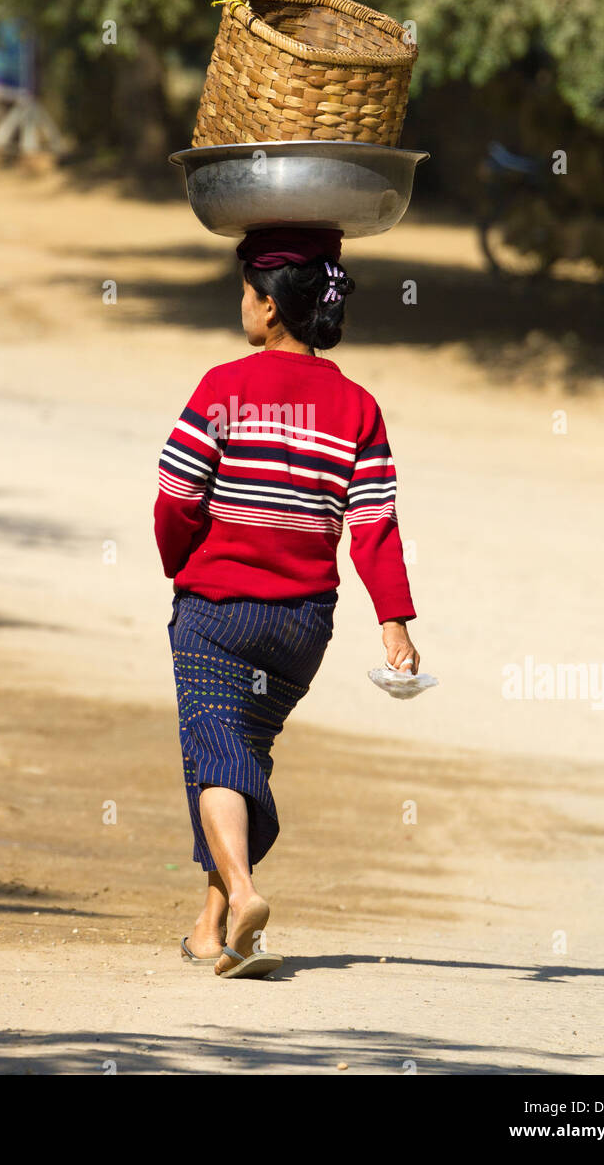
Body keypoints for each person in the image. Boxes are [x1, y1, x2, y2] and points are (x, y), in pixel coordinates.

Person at [154, 227, 419, 979]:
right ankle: (212, 931)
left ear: (269, 307)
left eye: (246, 293)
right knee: (237, 750)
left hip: (217, 609)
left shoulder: (220, 388)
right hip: (303, 625)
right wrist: (393, 622)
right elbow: (373, 524)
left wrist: (184, 565)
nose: (242, 304)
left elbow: (176, 497)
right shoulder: (357, 406)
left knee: (215, 752)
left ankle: (242, 894)